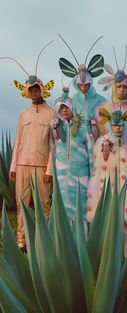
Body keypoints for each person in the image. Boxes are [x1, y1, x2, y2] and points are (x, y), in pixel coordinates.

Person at [87, 108, 127, 256]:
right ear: (110, 124)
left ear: (125, 124)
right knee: (107, 228)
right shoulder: (101, 142)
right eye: (114, 125)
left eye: (120, 125)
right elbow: (97, 169)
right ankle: (106, 260)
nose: (117, 128)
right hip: (107, 191)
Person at [9, 77, 55, 252]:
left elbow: (53, 145)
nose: (34, 93)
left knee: (44, 203)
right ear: (28, 92)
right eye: (31, 90)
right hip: (22, 164)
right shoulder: (23, 114)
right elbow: (18, 141)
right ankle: (22, 240)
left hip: (42, 165)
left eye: (36, 90)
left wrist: (50, 168)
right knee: (22, 203)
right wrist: (13, 166)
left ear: (42, 90)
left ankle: (45, 238)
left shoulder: (51, 114)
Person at [51, 87, 93, 222]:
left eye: (67, 107)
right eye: (61, 108)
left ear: (72, 108)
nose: (64, 110)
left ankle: (82, 239)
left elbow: (91, 153)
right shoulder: (58, 128)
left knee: (81, 208)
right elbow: (54, 151)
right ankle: (64, 241)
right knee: (62, 206)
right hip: (62, 175)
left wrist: (93, 176)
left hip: (81, 175)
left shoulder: (83, 129)